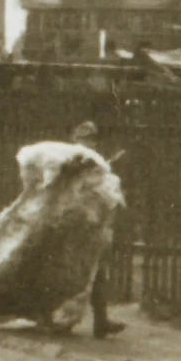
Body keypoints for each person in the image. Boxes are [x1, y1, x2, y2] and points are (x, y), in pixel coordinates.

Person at [69, 121, 125, 338]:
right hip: (73, 225)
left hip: (90, 224)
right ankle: (62, 319)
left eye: (91, 139)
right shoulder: (68, 161)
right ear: (75, 140)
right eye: (84, 139)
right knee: (72, 273)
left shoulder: (95, 163)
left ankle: (101, 321)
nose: (89, 143)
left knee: (97, 272)